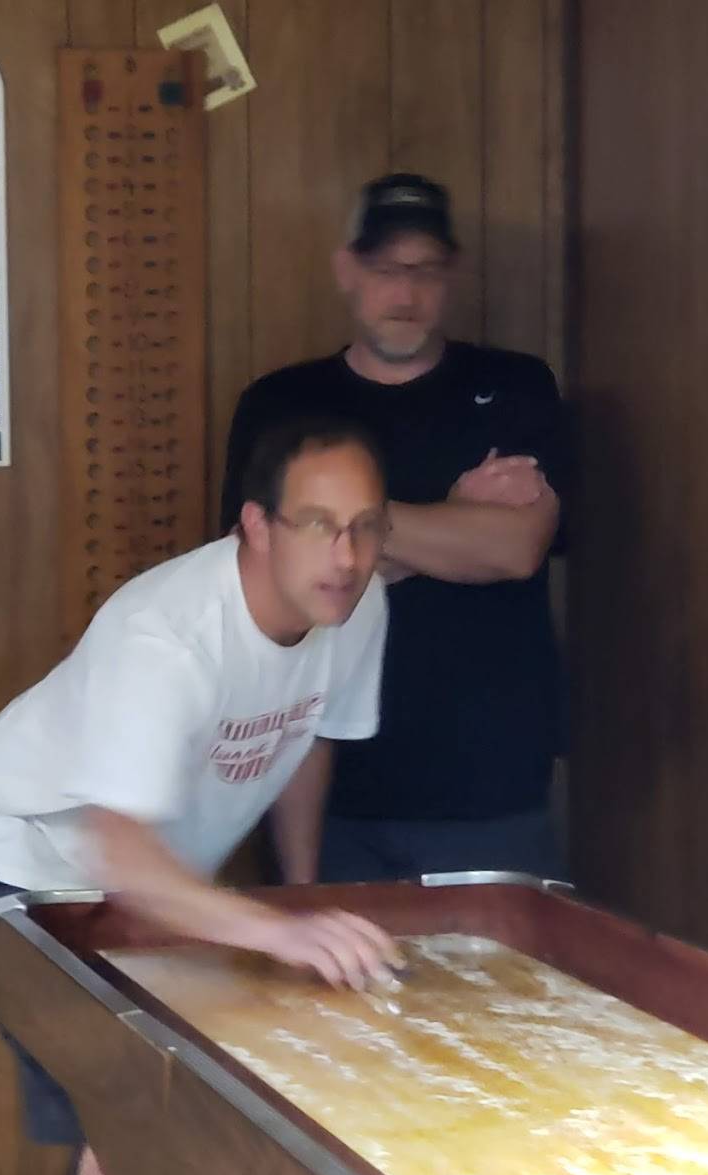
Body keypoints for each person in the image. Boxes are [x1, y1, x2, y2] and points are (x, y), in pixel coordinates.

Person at [0, 419, 402, 1175]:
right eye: (318, 524)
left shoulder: (360, 605)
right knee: (122, 1100)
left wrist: (299, 896)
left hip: (162, 866)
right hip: (27, 853)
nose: (346, 555)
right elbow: (122, 860)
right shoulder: (167, 636)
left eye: (365, 526)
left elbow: (311, 739)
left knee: (171, 1085)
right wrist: (274, 931)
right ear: (256, 526)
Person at [221, 172, 569, 884]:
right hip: (322, 783)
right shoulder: (281, 405)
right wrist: (454, 508)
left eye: (425, 270)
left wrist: (332, 534)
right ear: (346, 270)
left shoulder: (516, 386)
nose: (405, 293)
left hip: (491, 783)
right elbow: (265, 577)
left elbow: (515, 547)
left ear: (453, 274)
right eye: (385, 269)